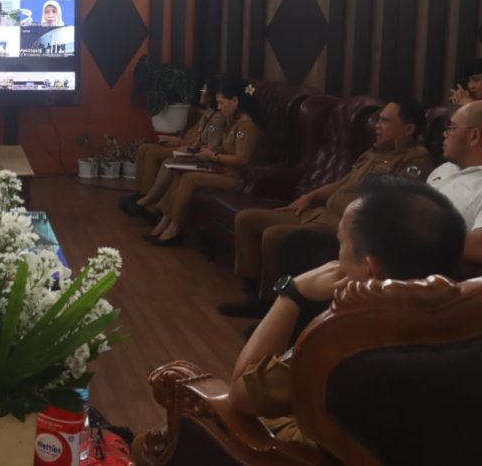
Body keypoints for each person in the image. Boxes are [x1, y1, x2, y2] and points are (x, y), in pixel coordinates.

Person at [226, 177, 465, 445]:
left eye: (340, 243)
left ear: (370, 271)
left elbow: (240, 396)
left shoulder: (341, 343)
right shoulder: (468, 326)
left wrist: (291, 293)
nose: (334, 258)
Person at [219, 99, 433, 317]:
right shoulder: (373, 153)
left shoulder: (415, 158)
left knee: (274, 236)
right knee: (246, 219)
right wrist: (308, 197)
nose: (377, 125)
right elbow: (342, 183)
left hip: (341, 225)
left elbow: (394, 203)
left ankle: (269, 303)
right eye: (378, 120)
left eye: (385, 121)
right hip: (319, 212)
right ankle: (253, 292)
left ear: (408, 129)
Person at [147, 77, 264, 245]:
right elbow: (227, 148)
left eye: (222, 103)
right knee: (180, 172)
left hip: (237, 178)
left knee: (190, 179)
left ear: (235, 100)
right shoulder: (233, 121)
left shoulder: (246, 126)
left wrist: (214, 156)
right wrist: (210, 151)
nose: (219, 107)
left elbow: (242, 159)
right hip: (223, 169)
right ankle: (165, 222)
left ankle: (175, 228)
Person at [119, 75, 225, 218]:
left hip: (194, 151)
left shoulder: (218, 118)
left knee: (154, 154)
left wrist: (181, 143)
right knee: (144, 148)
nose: (201, 92)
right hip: (187, 145)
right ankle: (142, 194)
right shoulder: (207, 113)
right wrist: (179, 140)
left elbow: (207, 144)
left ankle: (148, 201)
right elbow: (195, 135)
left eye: (204, 90)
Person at [429, 100, 482, 265]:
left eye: (451, 128)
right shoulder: (444, 169)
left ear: (474, 136)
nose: (445, 134)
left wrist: (414, 231)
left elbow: (479, 246)